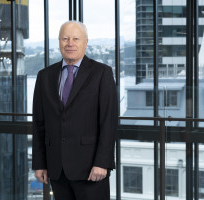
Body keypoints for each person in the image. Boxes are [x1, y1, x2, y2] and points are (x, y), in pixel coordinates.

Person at [32, 20, 118, 200]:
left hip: (91, 169)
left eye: (76, 38)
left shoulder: (102, 73)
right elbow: (39, 124)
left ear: (85, 42)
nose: (70, 43)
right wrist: (39, 164)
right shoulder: (45, 76)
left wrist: (102, 163)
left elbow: (108, 121)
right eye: (65, 38)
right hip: (56, 168)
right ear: (59, 42)